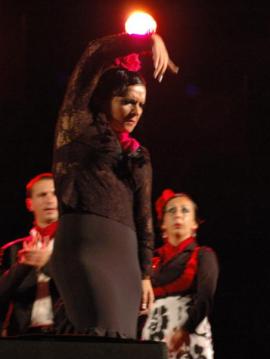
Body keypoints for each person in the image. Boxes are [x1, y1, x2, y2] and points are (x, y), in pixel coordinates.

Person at [50, 32, 178, 338]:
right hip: (85, 250)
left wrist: (145, 274)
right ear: (104, 99)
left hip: (127, 259)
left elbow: (143, 217)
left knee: (121, 347)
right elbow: (95, 53)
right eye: (127, 102)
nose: (136, 111)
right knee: (98, 336)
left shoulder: (138, 155)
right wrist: (148, 40)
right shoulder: (78, 125)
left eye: (141, 105)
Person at [142, 189, 218, 359]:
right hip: (154, 334)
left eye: (185, 211)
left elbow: (205, 297)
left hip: (188, 334)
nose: (178, 215)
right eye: (171, 211)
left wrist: (186, 329)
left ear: (195, 223)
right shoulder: (151, 261)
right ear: (162, 223)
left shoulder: (202, 255)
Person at [0, 173, 60, 336]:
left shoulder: (74, 245)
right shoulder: (12, 249)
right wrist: (22, 266)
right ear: (29, 204)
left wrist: (49, 264)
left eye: (54, 193)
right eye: (42, 195)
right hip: (23, 335)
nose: (49, 199)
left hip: (65, 334)